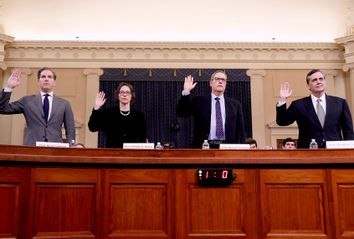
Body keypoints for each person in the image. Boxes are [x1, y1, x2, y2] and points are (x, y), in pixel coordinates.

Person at [276, 69, 354, 148]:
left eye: (321, 79)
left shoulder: (340, 103)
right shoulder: (298, 105)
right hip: (308, 152)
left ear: (324, 82)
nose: (318, 82)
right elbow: (282, 121)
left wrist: (350, 151)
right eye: (314, 80)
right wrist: (282, 99)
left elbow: (348, 130)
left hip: (335, 151)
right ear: (308, 85)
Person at [0, 67, 75, 146]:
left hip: (55, 148)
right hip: (32, 147)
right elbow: (3, 109)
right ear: (38, 82)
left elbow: (70, 128)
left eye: (49, 77)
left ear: (54, 82)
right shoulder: (27, 101)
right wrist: (9, 87)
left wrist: (71, 146)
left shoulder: (64, 104)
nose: (46, 79)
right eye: (43, 77)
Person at [176, 70, 246, 148]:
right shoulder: (199, 101)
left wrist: (241, 148)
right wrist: (186, 91)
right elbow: (181, 112)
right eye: (217, 79)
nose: (220, 81)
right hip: (204, 146)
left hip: (227, 147)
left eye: (223, 80)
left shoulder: (235, 105)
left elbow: (240, 130)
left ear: (225, 84)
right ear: (210, 83)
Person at [88, 82, 147, 148]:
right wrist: (96, 108)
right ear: (118, 95)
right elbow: (92, 127)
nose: (124, 95)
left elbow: (143, 138)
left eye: (127, 92)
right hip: (112, 154)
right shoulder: (108, 113)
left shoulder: (139, 116)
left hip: (132, 155)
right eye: (122, 92)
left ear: (131, 96)